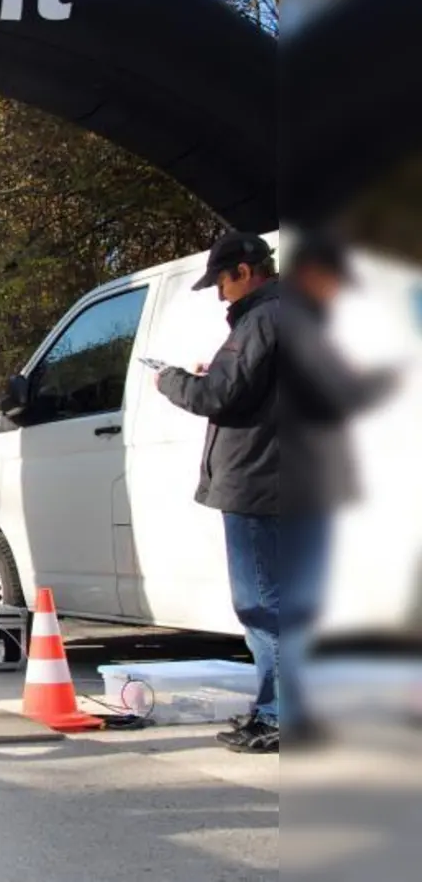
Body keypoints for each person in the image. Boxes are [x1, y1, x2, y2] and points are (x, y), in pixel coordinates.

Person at [155, 231, 282, 755]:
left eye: (222, 283)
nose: (219, 295)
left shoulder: (262, 319)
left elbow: (218, 395)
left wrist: (170, 380)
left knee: (262, 607)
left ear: (245, 272)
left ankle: (277, 717)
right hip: (291, 479)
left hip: (258, 483)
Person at [273, 229, 397, 746]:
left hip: (298, 479)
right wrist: (395, 374)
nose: (337, 292)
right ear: (312, 274)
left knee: (293, 604)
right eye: (333, 282)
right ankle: (293, 715)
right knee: (299, 605)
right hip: (305, 483)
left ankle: (290, 711)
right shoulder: (297, 321)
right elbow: (340, 393)